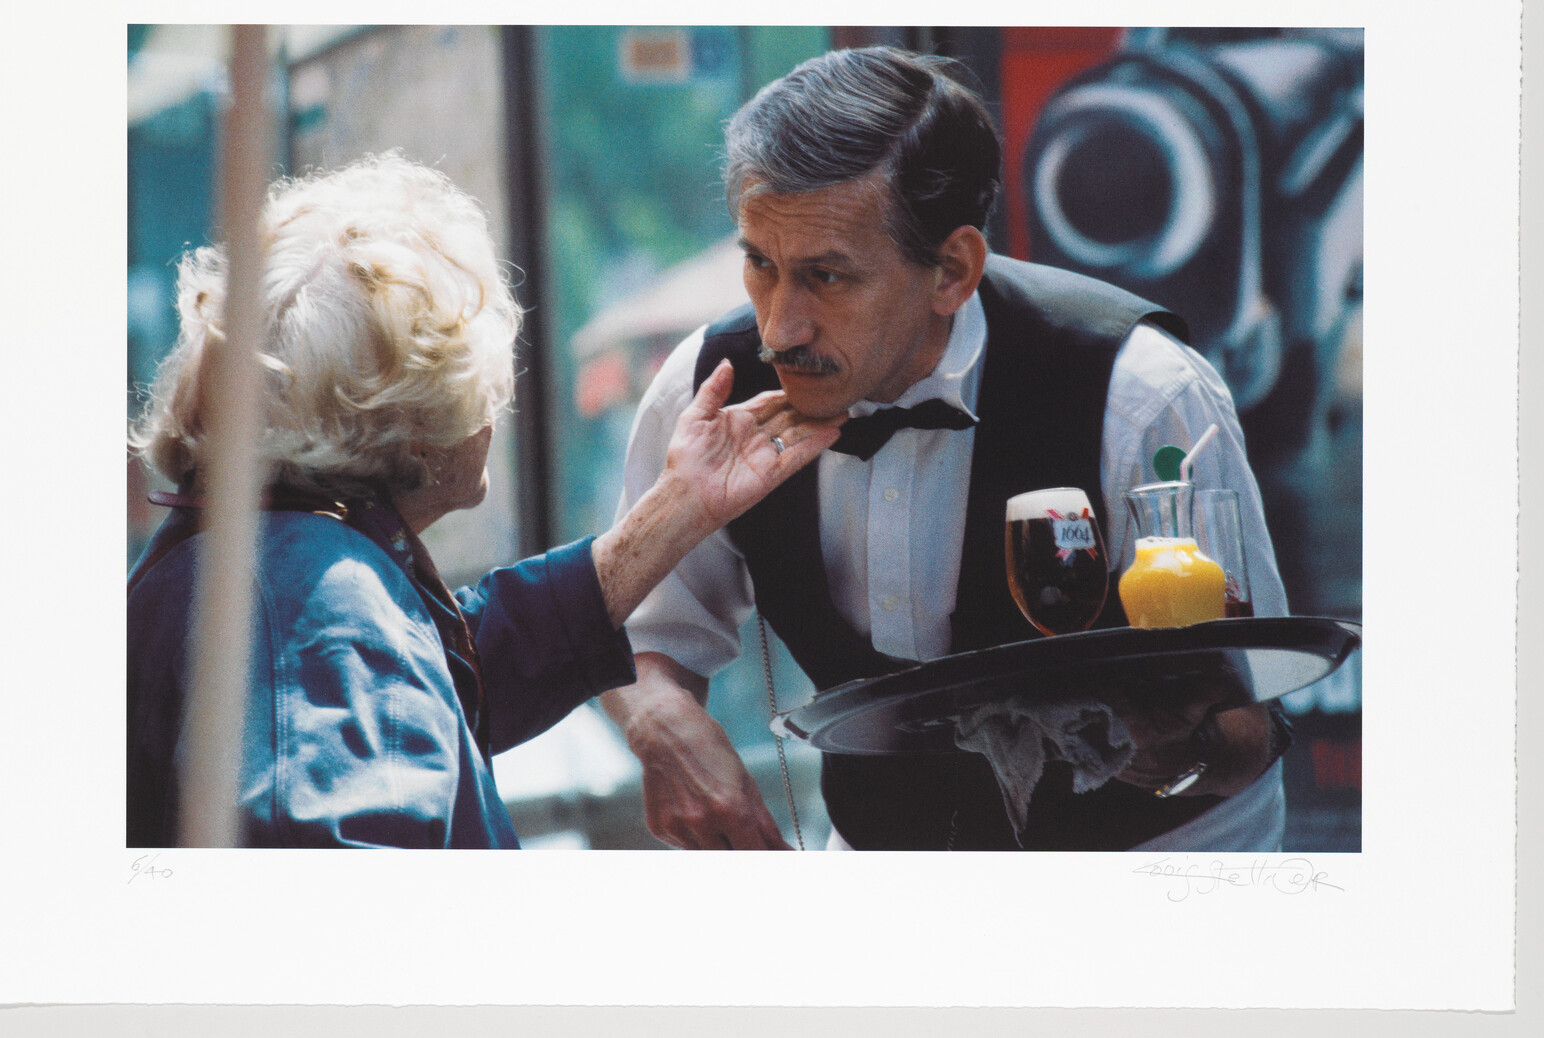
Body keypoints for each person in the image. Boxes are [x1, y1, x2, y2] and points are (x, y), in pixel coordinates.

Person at [600, 47, 1293, 852]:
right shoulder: (707, 388)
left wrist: (1183, 748)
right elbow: (636, 625)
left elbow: (1253, 721)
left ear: (953, 270)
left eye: (827, 277)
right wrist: (660, 723)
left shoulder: (1141, 393)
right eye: (759, 263)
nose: (779, 327)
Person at [127, 153, 842, 848]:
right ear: (414, 428)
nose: (498, 407)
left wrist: (678, 507)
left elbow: (440, 674)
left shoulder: (271, 561)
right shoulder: (317, 605)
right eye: (484, 373)